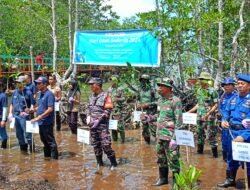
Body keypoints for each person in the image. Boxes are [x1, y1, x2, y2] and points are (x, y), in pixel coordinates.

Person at [141, 78, 182, 186]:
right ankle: (163, 179)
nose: (159, 88)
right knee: (161, 159)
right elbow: (159, 116)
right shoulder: (160, 100)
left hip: (170, 137)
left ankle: (176, 183)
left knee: (173, 160)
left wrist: (175, 138)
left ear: (169, 88)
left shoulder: (175, 101)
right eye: (159, 86)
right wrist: (148, 117)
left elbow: (179, 121)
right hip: (160, 136)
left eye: (162, 86)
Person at [217, 73, 250, 188]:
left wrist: (243, 136)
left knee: (248, 160)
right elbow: (226, 112)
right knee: (231, 156)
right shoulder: (233, 98)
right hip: (231, 132)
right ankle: (230, 180)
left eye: (243, 84)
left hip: (245, 134)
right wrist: (224, 120)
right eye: (239, 83)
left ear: (249, 86)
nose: (240, 86)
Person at [87, 77, 117, 169]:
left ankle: (113, 163)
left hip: (102, 126)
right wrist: (88, 116)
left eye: (92, 84)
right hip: (92, 125)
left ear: (98, 85)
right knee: (95, 145)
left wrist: (98, 120)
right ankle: (99, 163)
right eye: (90, 84)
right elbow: (88, 107)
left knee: (106, 144)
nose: (91, 86)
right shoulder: (91, 96)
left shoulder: (106, 96)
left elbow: (108, 111)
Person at [188, 71, 219, 157]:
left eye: (203, 79)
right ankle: (200, 153)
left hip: (209, 117)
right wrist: (189, 112)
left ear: (207, 80)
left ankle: (215, 155)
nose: (201, 81)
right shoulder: (199, 90)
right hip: (199, 116)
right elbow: (198, 104)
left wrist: (208, 113)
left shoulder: (213, 91)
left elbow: (216, 105)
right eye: (200, 79)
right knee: (199, 134)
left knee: (211, 135)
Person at [31, 76, 58, 160]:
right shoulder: (40, 94)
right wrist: (32, 110)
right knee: (44, 141)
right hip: (41, 122)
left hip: (47, 122)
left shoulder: (49, 94)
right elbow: (40, 107)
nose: (37, 85)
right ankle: (47, 159)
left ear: (45, 84)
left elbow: (50, 109)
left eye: (39, 83)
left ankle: (54, 161)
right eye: (36, 83)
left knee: (50, 142)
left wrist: (38, 117)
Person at [8, 75, 35, 153]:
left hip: (25, 116)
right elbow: (12, 104)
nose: (17, 84)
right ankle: (23, 150)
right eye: (17, 83)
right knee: (18, 134)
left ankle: (32, 148)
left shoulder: (28, 92)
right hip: (16, 115)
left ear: (23, 83)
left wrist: (29, 110)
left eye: (19, 83)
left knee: (27, 134)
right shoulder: (15, 92)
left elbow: (34, 104)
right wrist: (10, 113)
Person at [218, 78, 236, 162]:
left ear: (233, 86)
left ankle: (233, 160)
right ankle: (225, 160)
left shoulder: (236, 96)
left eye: (229, 85)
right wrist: (222, 119)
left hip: (233, 123)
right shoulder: (222, 97)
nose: (227, 87)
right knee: (224, 140)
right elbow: (221, 108)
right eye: (225, 85)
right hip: (224, 122)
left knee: (233, 141)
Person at [137, 74, 157, 144]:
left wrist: (148, 104)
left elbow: (158, 101)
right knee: (145, 129)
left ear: (148, 81)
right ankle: (147, 144)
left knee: (153, 129)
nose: (143, 82)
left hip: (152, 112)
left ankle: (156, 146)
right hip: (143, 112)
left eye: (145, 81)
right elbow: (138, 99)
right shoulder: (140, 89)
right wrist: (138, 104)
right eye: (142, 81)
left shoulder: (153, 89)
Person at [108, 75, 126, 143]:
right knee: (113, 126)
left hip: (118, 110)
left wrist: (117, 99)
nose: (111, 82)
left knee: (120, 126)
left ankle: (122, 142)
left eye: (112, 81)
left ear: (115, 81)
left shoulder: (120, 89)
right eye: (110, 81)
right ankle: (115, 142)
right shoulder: (109, 89)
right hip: (111, 111)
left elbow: (124, 98)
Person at [0, 80, 8, 149]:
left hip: (1, 118)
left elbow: (5, 108)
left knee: (3, 135)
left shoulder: (3, 96)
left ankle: (4, 149)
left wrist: (3, 120)